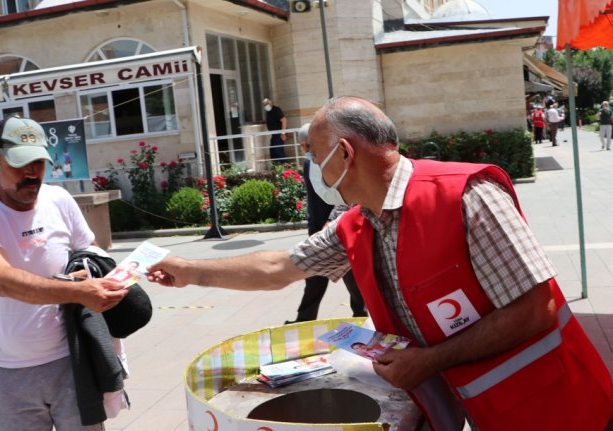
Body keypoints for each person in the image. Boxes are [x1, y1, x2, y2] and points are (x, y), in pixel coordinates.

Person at [147, 96, 613, 431]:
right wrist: (190, 271)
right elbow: (278, 268)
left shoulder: (465, 196)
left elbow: (536, 309)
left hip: (558, 405)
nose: (311, 169)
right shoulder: (357, 223)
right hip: (484, 407)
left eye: (313, 154)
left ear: (345, 154)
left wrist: (428, 362)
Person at [0, 115, 129, 431]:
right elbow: (2, 281)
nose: (33, 173)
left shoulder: (59, 199)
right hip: (7, 371)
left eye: (39, 162)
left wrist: (112, 275)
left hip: (71, 360)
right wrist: (78, 291)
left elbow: (89, 251)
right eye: (21, 164)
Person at [285, 123, 366, 324]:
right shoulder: (307, 163)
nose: (304, 150)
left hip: (337, 223)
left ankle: (361, 314)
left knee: (352, 275)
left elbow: (341, 194)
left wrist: (332, 220)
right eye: (301, 146)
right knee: (314, 274)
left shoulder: (332, 161)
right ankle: (304, 319)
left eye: (307, 145)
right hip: (318, 226)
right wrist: (314, 225)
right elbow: (314, 197)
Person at [262, 98, 287, 162]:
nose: (265, 105)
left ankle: (284, 167)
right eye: (264, 105)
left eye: (266, 104)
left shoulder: (276, 109)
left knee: (278, 150)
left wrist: (283, 133)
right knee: (273, 151)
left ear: (270, 103)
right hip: (274, 134)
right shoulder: (268, 112)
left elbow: (284, 120)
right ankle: (276, 167)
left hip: (278, 134)